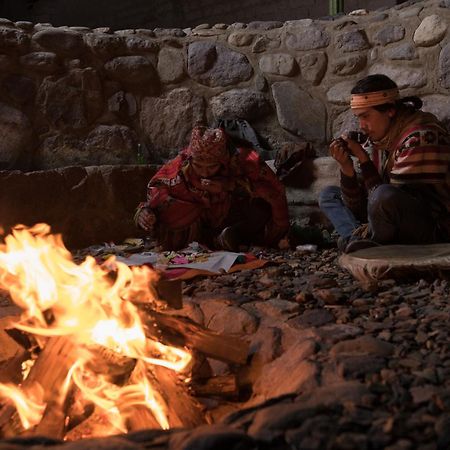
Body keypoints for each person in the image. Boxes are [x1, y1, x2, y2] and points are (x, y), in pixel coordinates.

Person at [319, 74, 450, 253]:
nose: (362, 125)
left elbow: (386, 201)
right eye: (358, 118)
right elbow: (363, 204)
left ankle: (358, 240)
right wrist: (346, 167)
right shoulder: (383, 138)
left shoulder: (420, 137)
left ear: (390, 110)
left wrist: (364, 159)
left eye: (366, 116)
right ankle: (357, 239)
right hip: (391, 216)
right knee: (329, 195)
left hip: (434, 227)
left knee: (383, 195)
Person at [135, 125, 289, 251]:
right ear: (190, 160)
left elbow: (274, 192)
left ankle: (232, 238)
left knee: (259, 209)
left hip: (233, 216)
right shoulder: (180, 168)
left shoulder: (243, 160)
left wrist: (230, 187)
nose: (204, 172)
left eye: (211, 167)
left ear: (222, 162)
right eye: (198, 166)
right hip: (198, 223)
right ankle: (214, 241)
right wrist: (146, 213)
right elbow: (156, 193)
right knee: (166, 213)